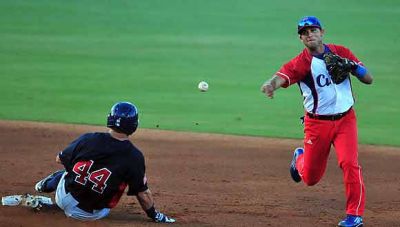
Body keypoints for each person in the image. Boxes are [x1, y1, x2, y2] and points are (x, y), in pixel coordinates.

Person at [260, 16, 373, 227]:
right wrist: (270, 84)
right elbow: (282, 76)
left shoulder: (342, 52)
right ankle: (299, 158)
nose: (309, 34)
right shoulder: (301, 63)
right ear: (301, 38)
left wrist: (353, 67)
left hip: (346, 120)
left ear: (322, 32)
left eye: (313, 30)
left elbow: (369, 79)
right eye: (304, 32)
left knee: (350, 163)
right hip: (316, 124)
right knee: (311, 178)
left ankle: (354, 216)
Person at [34, 101, 175, 223]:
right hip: (91, 215)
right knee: (123, 178)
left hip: (64, 198)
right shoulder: (135, 156)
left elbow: (60, 159)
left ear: (110, 119)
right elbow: (142, 194)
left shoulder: (88, 139)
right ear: (134, 125)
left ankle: (44, 186)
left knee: (69, 169)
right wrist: (155, 215)